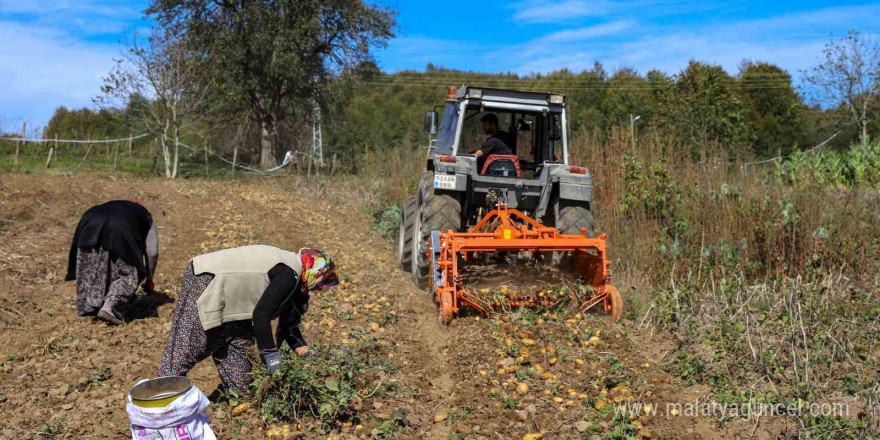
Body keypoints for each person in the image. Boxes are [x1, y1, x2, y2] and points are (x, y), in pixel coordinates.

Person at [157, 245, 338, 396]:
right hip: (207, 279)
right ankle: (158, 398)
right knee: (190, 344)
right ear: (316, 273)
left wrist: (308, 357)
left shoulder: (297, 285)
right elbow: (261, 314)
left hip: (237, 304)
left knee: (242, 372)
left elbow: (288, 326)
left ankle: (236, 392)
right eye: (321, 283)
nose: (319, 290)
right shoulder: (289, 273)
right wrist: (271, 356)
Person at [65, 199, 158, 325]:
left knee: (91, 264)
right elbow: (152, 252)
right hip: (118, 228)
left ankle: (91, 307)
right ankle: (109, 308)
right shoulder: (145, 216)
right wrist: (149, 278)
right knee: (128, 273)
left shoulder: (111, 206)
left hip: (89, 220)